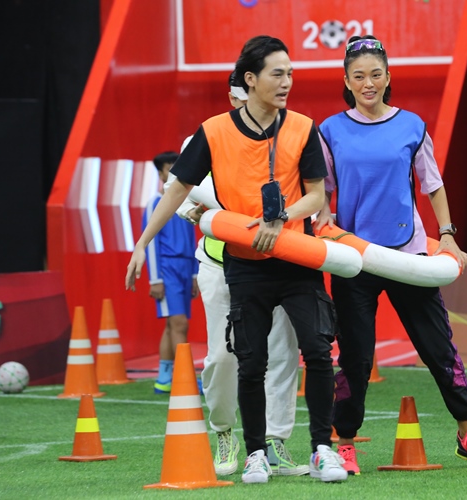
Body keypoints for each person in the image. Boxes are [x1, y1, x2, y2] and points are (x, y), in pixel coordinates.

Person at [126, 36, 347, 484]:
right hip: (240, 264)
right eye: (277, 74)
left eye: (290, 74)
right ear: (250, 79)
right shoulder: (212, 132)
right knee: (247, 361)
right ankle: (253, 451)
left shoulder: (303, 127)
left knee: (316, 351)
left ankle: (322, 448)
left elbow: (317, 196)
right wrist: (142, 243)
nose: (286, 82)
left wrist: (281, 217)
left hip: (295, 258)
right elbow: (178, 189)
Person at [316, 35, 467, 474]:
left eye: (375, 75)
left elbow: (432, 184)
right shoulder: (330, 130)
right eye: (359, 76)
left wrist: (448, 235)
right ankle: (346, 444)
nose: (368, 83)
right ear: (346, 80)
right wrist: (324, 219)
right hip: (354, 259)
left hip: (410, 255)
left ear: (388, 77)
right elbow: (322, 189)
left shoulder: (412, 126)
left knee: (439, 348)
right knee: (355, 358)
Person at [170, 73, 308, 477]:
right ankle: (225, 431)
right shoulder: (207, 137)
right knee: (222, 356)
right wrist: (197, 212)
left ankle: (275, 442)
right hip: (220, 265)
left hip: (279, 261)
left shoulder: (290, 137)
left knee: (282, 353)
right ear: (236, 97)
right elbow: (179, 193)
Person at [142, 151, 199, 394]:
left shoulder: (186, 203)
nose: (175, 171)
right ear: (160, 173)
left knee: (172, 325)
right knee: (179, 324)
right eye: (169, 168)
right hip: (167, 270)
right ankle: (186, 379)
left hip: (185, 269)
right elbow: (149, 244)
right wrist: (155, 279)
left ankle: (164, 379)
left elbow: (193, 239)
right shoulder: (155, 204)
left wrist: (195, 274)